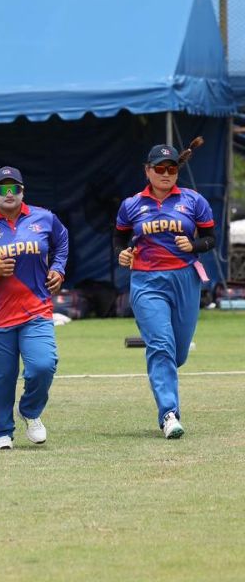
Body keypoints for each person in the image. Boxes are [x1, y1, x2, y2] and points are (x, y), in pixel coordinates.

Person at [0, 166, 69, 450]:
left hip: (36, 309)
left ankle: (30, 410)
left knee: (43, 365)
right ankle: (2, 432)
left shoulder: (44, 218)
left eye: (15, 189)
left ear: (23, 191)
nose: (9, 194)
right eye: (3, 190)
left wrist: (58, 268)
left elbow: (62, 240)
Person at [115, 144, 216, 439]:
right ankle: (169, 414)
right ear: (147, 170)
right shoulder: (131, 205)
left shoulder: (194, 201)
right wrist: (123, 254)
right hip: (146, 282)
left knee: (177, 352)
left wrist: (194, 245)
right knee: (161, 346)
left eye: (171, 169)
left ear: (177, 171)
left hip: (186, 279)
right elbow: (119, 240)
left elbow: (210, 239)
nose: (165, 174)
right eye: (159, 168)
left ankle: (165, 368)